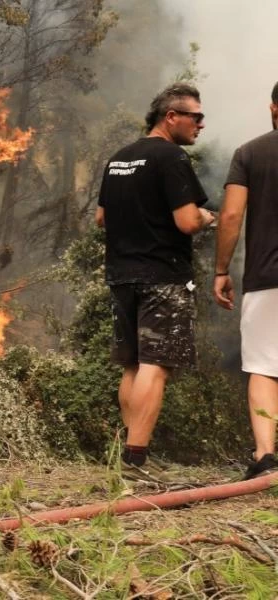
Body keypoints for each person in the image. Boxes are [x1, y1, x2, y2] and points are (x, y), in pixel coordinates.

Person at [95, 83, 215, 481]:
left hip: (121, 275)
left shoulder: (118, 159)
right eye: (195, 116)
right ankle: (136, 460)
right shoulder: (170, 157)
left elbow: (101, 219)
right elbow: (186, 221)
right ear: (171, 117)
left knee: (132, 365)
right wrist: (207, 218)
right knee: (156, 365)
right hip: (162, 275)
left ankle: (129, 453)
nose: (201, 123)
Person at [213, 81, 278, 480]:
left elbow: (232, 217)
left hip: (267, 277)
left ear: (274, 108)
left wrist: (221, 270)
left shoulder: (250, 152)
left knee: (264, 366)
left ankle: (266, 455)